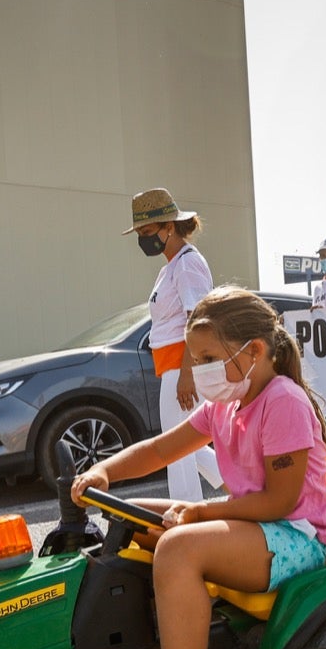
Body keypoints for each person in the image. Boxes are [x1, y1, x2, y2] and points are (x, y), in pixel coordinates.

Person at [70, 288, 326, 649]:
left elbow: (279, 502)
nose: (200, 371)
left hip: (294, 536)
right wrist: (103, 472)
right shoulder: (226, 406)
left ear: (253, 351)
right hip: (252, 525)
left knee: (177, 546)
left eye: (210, 358)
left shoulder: (283, 402)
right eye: (196, 360)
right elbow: (158, 450)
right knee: (130, 515)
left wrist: (198, 512)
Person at [123, 187, 222, 503]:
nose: (143, 238)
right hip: (171, 365)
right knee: (182, 442)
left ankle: (186, 509)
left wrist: (187, 373)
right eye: (139, 232)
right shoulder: (171, 267)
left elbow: (198, 321)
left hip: (182, 364)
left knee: (174, 445)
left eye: (148, 231)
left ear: (169, 227)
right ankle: (238, 482)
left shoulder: (187, 264)